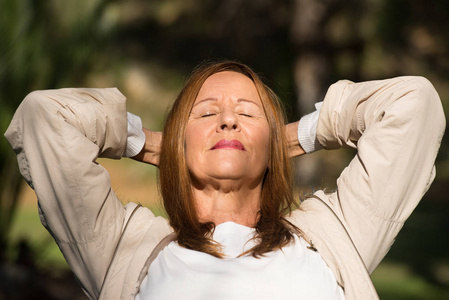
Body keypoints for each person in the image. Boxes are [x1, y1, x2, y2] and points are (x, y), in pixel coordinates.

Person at [4, 61, 445, 300]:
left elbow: (413, 104)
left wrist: (290, 139)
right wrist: (158, 145)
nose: (229, 119)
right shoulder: (121, 249)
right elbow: (45, 118)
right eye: (207, 113)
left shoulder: (334, 236)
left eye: (249, 113)